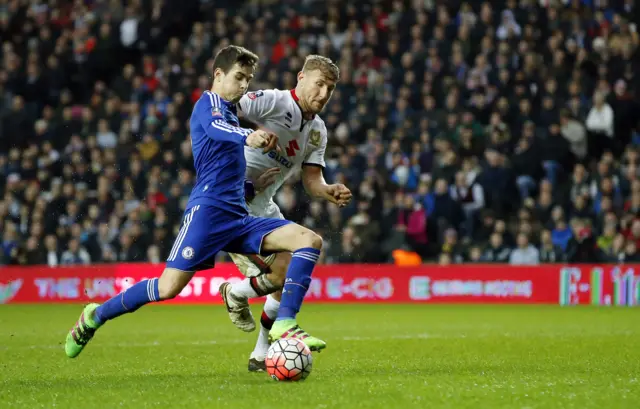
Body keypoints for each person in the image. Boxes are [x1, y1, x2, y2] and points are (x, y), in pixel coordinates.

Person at [64, 45, 331, 358]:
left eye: (248, 79)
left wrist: (250, 184)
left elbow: (225, 164)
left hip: (239, 216)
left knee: (309, 240)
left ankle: (285, 322)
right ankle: (95, 316)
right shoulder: (208, 104)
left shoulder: (231, 112)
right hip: (208, 212)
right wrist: (247, 135)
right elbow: (218, 130)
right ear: (218, 75)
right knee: (167, 288)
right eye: (239, 77)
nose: (244, 85)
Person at [218, 55, 352, 372]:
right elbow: (221, 111)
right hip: (232, 205)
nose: (323, 94)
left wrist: (327, 189)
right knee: (286, 269)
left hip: (264, 205)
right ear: (301, 78)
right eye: (319, 84)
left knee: (285, 278)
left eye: (330, 89)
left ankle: (261, 353)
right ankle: (234, 292)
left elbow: (311, 180)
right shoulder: (272, 102)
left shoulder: (317, 130)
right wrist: (245, 144)